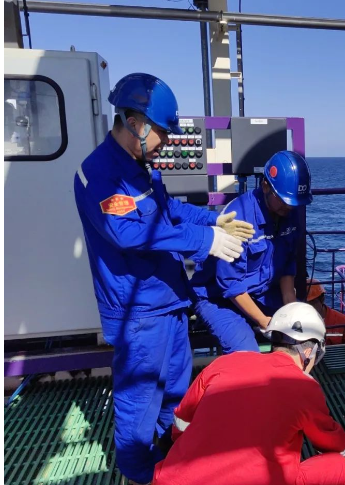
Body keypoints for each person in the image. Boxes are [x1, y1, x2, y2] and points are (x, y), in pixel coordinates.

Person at [74, 73, 254, 484]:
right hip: (139, 314)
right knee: (138, 407)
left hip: (169, 301)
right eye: (163, 132)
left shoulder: (141, 168)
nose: (168, 142)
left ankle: (172, 463)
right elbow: (130, 233)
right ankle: (140, 475)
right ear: (136, 124)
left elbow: (168, 211)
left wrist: (214, 220)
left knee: (176, 395)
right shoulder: (99, 173)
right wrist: (205, 241)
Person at [152, 302, 345, 485]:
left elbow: (181, 420)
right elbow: (332, 442)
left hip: (172, 478)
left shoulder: (225, 363)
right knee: (339, 465)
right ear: (309, 351)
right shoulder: (303, 386)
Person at [191, 150, 313, 354]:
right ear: (265, 186)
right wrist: (265, 321)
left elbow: (287, 267)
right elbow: (230, 284)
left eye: (293, 203)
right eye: (283, 200)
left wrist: (290, 309)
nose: (288, 207)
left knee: (304, 335)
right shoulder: (239, 218)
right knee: (247, 351)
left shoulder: (289, 213)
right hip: (219, 298)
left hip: (262, 293)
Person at [306, 279, 345, 345]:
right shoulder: (298, 320)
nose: (307, 307)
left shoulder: (343, 322)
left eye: (312, 303)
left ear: (322, 299)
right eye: (304, 304)